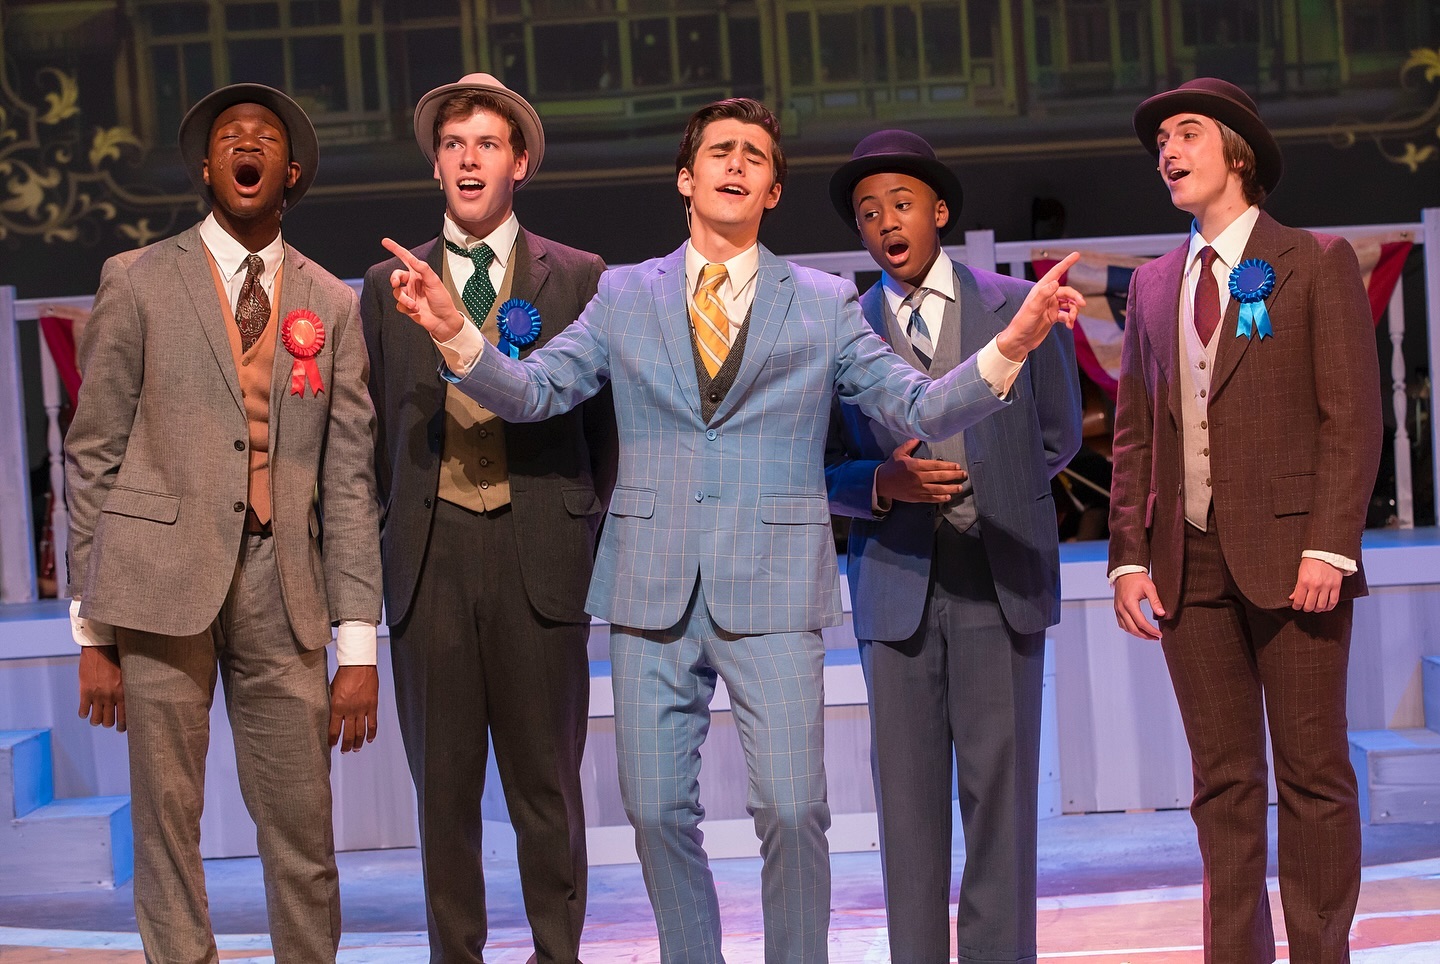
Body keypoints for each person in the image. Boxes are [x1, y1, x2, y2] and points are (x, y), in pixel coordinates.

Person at [380, 97, 1081, 964]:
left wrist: (1008, 345)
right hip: (649, 585)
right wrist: (458, 335)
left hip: (775, 583)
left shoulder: (825, 304)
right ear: (688, 177)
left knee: (793, 811)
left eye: (754, 154)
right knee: (656, 811)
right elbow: (538, 391)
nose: (736, 164)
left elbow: (920, 402)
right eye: (720, 150)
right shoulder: (624, 293)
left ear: (772, 191)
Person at [67, 83, 383, 963]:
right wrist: (93, 629)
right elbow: (93, 456)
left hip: (283, 587)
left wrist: (356, 650)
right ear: (209, 167)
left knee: (302, 829)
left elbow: (350, 483)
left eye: (267, 138)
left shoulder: (332, 302)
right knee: (167, 827)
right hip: (156, 586)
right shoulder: (137, 280)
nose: (246, 144)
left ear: (291, 173)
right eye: (229, 136)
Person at [1109, 77, 1382, 962]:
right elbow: (1135, 434)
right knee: (1222, 785)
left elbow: (1352, 416)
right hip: (1188, 565)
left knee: (1312, 777)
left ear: (1238, 152)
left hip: (1296, 556)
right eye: (1160, 143)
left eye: (1186, 134)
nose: (1167, 153)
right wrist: (1127, 558)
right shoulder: (1154, 285)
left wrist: (1330, 546)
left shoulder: (1311, 260)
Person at [360, 73, 615, 964]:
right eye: (454, 144)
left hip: (537, 551)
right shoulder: (387, 285)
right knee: (444, 794)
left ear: (522, 164)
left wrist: (578, 530)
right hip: (429, 561)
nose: (470, 158)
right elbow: (375, 435)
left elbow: (605, 434)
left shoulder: (577, 277)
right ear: (437, 167)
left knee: (548, 790)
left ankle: (559, 954)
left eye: (488, 144)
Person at [824, 130, 1081, 964]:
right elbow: (814, 463)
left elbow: (1057, 433)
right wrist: (878, 483)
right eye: (868, 213)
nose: (885, 223)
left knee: (1001, 803)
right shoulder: (838, 325)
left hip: (997, 575)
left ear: (937, 211)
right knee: (907, 810)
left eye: (900, 204)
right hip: (894, 585)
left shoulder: (1017, 305)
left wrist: (992, 479)